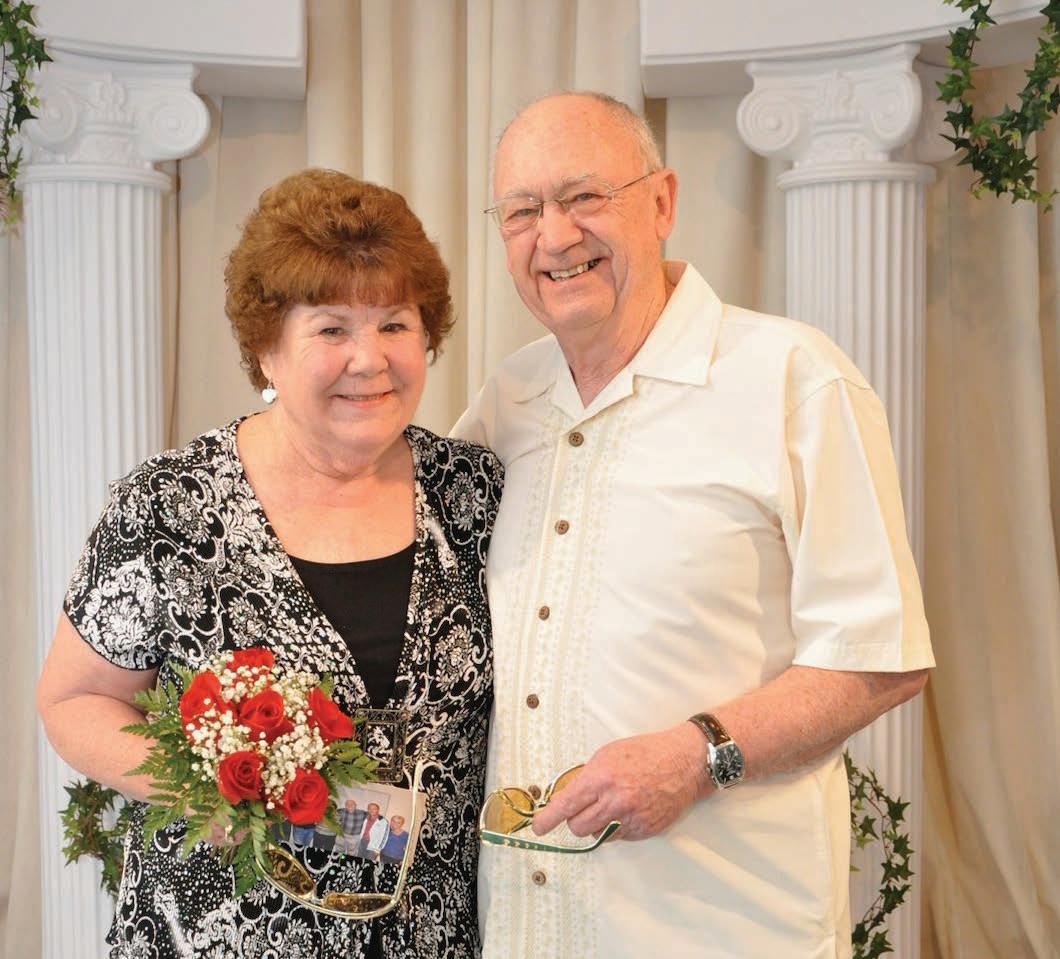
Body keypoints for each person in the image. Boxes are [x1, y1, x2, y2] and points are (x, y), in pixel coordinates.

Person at [452, 92, 935, 959]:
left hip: (724, 930)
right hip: (525, 932)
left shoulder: (794, 378)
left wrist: (698, 753)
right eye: (521, 211)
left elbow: (878, 655)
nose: (553, 236)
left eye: (584, 196)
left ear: (663, 201)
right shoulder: (505, 402)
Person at [37, 168, 503, 959]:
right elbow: (74, 699)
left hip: (429, 937)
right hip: (219, 935)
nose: (370, 359)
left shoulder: (474, 495)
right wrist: (204, 782)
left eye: (394, 323)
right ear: (267, 349)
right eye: (332, 329)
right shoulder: (170, 505)